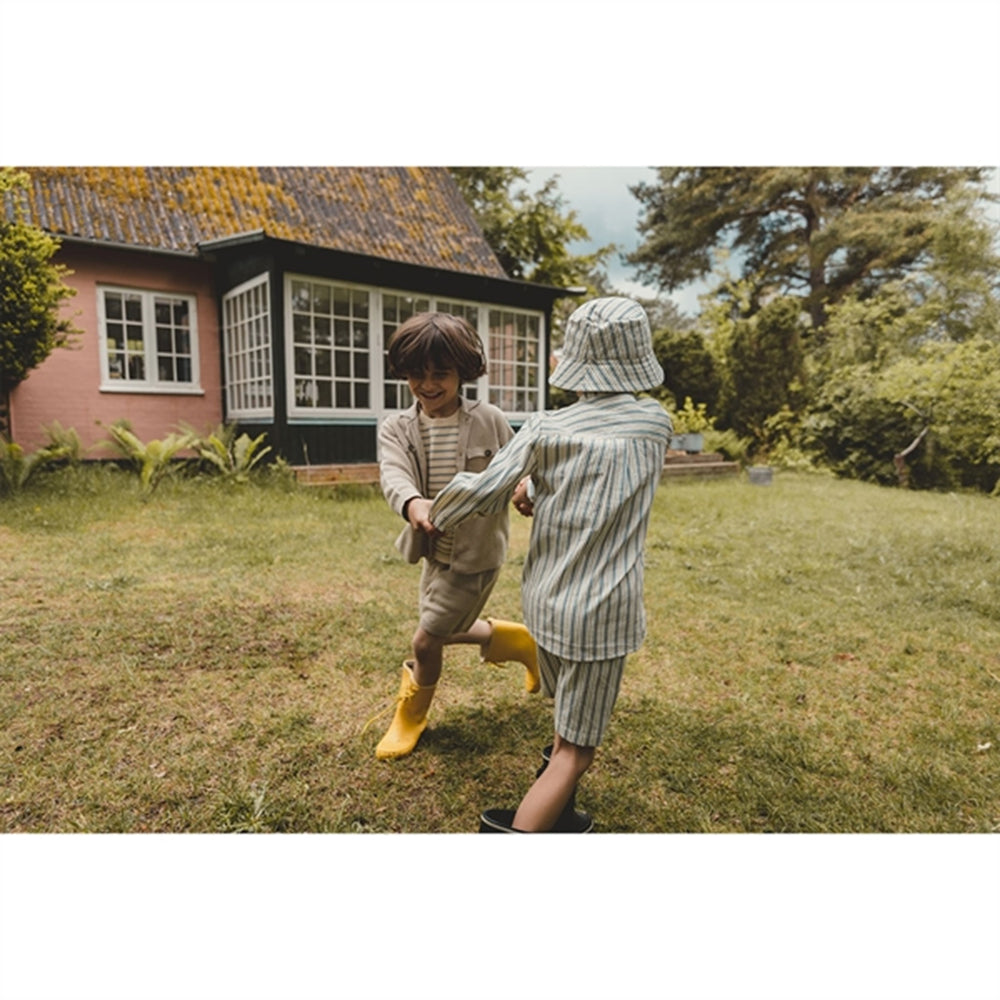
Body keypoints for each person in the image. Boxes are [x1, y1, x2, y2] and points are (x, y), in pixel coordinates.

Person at [424, 297, 672, 831]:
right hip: (602, 612)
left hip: (546, 603)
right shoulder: (654, 424)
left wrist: (435, 512)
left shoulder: (545, 428)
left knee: (568, 718)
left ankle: (558, 815)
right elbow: (607, 470)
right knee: (575, 752)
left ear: (575, 361)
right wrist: (537, 488)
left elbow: (488, 490)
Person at [371, 312, 540, 761]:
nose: (428, 385)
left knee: (426, 640)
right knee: (447, 627)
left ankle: (410, 717)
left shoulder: (489, 419)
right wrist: (413, 503)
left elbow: (519, 466)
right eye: (417, 374)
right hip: (433, 551)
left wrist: (526, 490)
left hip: (476, 554)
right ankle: (516, 641)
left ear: (462, 372)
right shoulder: (396, 427)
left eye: (440, 374)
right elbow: (393, 473)